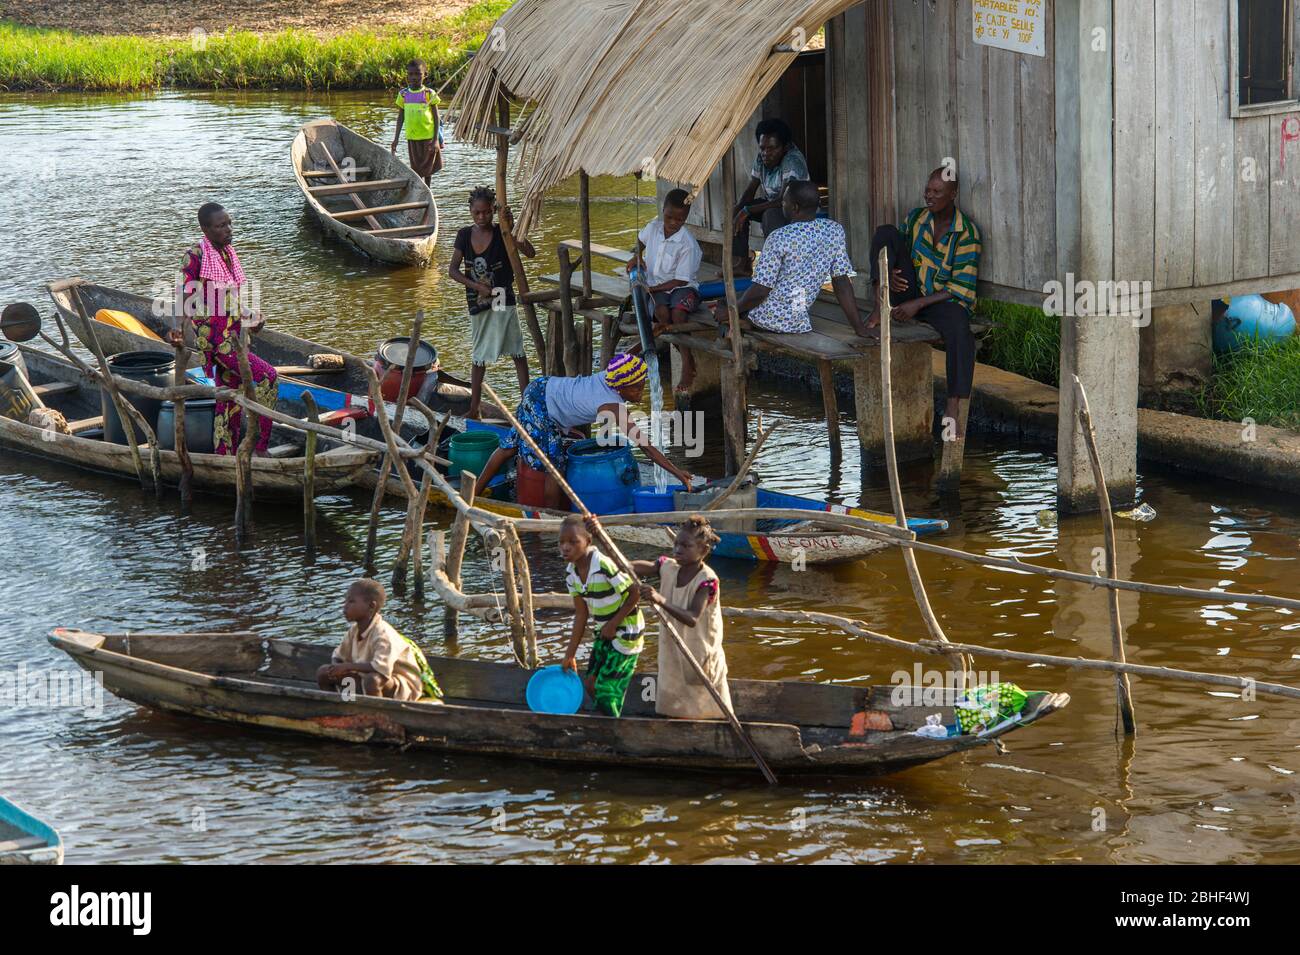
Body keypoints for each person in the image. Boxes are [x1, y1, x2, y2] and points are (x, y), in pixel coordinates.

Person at [472, 354, 694, 509]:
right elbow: (645, 446)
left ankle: (472, 494)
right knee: (553, 464)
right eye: (636, 388)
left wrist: (654, 332)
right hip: (544, 406)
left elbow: (628, 355)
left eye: (642, 385)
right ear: (621, 387)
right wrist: (677, 472)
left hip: (541, 387)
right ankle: (552, 516)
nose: (640, 392)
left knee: (510, 445)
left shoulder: (611, 375)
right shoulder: (611, 405)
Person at [868, 167, 982, 436]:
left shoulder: (966, 233)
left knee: (959, 327)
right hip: (908, 289)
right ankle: (878, 304)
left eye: (937, 192)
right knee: (885, 232)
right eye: (928, 190)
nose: (929, 196)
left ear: (952, 195)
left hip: (938, 301)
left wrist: (917, 305)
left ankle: (953, 403)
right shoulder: (917, 218)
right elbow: (898, 248)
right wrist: (892, 273)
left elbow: (960, 287)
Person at [166, 203, 278, 456]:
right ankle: (260, 447)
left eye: (229, 223)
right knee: (267, 377)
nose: (228, 230)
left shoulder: (226, 253)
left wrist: (252, 317)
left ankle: (224, 454)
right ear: (205, 229)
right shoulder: (195, 256)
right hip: (217, 342)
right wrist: (177, 330)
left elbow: (231, 300)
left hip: (234, 336)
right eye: (220, 226)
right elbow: (183, 297)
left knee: (228, 399)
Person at [714, 180, 871, 339]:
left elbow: (761, 290)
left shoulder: (779, 237)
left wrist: (730, 310)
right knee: (747, 298)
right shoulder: (834, 230)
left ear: (794, 207)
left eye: (784, 202)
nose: (782, 205)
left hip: (768, 319)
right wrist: (859, 327)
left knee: (725, 302)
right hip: (798, 318)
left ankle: (732, 326)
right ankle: (741, 322)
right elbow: (842, 281)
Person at [630, 515, 731, 720]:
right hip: (673, 645)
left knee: (705, 698)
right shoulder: (668, 566)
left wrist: (659, 599)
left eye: (686, 546)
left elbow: (693, 617)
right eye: (676, 544)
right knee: (674, 692)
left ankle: (711, 726)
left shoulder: (708, 580)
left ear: (703, 550)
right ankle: (677, 725)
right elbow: (646, 567)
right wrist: (620, 565)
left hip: (699, 648)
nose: (678, 550)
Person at [448, 186, 536, 419]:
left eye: (487, 212)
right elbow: (453, 271)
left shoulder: (502, 232)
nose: (482, 217)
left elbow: (530, 252)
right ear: (470, 211)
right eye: (477, 213)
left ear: (493, 211)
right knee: (479, 354)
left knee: (516, 350)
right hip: (477, 299)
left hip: (500, 296)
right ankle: (474, 407)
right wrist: (477, 286)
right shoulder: (465, 235)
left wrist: (513, 227)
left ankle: (526, 403)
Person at [559, 514, 644, 717]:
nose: (565, 547)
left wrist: (613, 624)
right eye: (561, 542)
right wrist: (570, 654)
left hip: (627, 631)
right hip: (604, 631)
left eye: (573, 542)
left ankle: (614, 727)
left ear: (588, 541)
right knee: (589, 683)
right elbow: (581, 614)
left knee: (606, 691)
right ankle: (608, 717)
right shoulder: (571, 574)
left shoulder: (604, 565)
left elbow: (635, 592)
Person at [316, 578, 444, 703]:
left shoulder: (383, 634)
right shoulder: (354, 631)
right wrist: (336, 667)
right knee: (323, 672)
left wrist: (347, 667)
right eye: (345, 601)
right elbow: (339, 656)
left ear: (371, 606)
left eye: (351, 602)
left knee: (373, 680)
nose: (345, 607)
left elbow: (380, 668)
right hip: (364, 679)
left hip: (401, 688)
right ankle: (340, 707)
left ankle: (377, 715)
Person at [627, 188, 703, 389]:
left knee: (678, 314)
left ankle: (687, 363)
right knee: (661, 314)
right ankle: (680, 350)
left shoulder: (688, 243)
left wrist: (653, 289)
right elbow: (639, 241)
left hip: (683, 287)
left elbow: (680, 281)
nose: (673, 223)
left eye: (679, 220)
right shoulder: (653, 228)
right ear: (663, 211)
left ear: (686, 218)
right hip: (657, 288)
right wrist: (637, 257)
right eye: (669, 217)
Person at [729, 118, 810, 275]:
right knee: (736, 211)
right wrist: (739, 209)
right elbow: (751, 188)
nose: (766, 153)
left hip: (797, 209)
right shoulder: (762, 157)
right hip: (774, 203)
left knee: (769, 215)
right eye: (763, 148)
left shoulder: (792, 160)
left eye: (772, 148)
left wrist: (747, 210)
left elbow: (784, 200)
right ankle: (742, 264)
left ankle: (775, 267)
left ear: (785, 147)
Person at [390, 59, 443, 185]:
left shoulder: (429, 94)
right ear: (407, 75)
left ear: (425, 75)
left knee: (428, 167)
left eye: (418, 74)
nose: (414, 77)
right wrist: (396, 138)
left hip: (428, 136)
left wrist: (436, 139)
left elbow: (436, 118)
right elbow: (400, 118)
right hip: (412, 136)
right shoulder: (403, 94)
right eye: (411, 74)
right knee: (417, 166)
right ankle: (421, 187)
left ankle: (428, 188)